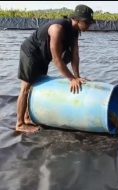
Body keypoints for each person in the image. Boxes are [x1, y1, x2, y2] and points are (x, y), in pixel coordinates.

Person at [16, 4, 95, 133]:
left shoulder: (75, 31)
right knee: (25, 88)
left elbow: (75, 55)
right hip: (31, 53)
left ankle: (26, 117)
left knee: (34, 86)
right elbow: (56, 59)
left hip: (43, 56)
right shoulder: (57, 29)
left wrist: (77, 76)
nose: (88, 26)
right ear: (78, 19)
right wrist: (71, 79)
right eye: (87, 23)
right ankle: (19, 124)